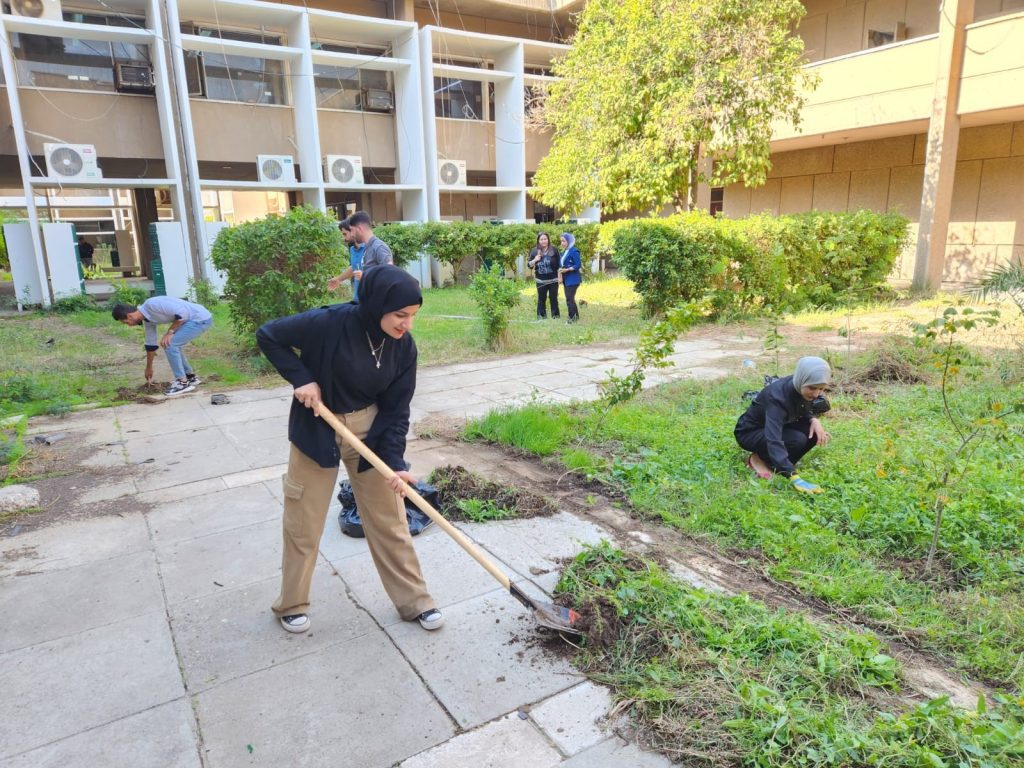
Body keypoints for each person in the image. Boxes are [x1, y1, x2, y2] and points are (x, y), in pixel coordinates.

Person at [255, 265, 443, 635]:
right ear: (376, 306)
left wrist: (394, 463)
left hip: (369, 430)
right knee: (303, 522)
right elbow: (269, 335)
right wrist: (302, 377)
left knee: (390, 519)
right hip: (318, 427)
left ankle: (416, 601)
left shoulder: (404, 347)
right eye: (400, 315)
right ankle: (291, 604)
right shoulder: (329, 323)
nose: (407, 324)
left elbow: (396, 408)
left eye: (413, 316)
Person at [733, 356, 833, 493]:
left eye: (821, 389)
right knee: (796, 440)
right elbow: (773, 439)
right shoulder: (777, 398)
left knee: (813, 434)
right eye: (813, 388)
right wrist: (794, 476)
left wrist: (814, 419)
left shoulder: (800, 385)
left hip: (776, 425)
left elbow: (804, 407)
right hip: (749, 433)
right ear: (802, 379)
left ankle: (777, 463)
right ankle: (758, 459)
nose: (816, 394)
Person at [112, 297, 213, 396]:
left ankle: (182, 383)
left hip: (199, 318)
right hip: (190, 320)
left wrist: (170, 332)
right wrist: (149, 367)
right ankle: (190, 377)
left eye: (126, 322)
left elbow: (183, 314)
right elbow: (150, 345)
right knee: (170, 344)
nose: (129, 325)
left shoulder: (152, 305)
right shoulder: (148, 321)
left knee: (170, 344)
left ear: (129, 315)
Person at [327, 218, 367, 301]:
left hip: (370, 298)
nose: (344, 238)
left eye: (345, 234)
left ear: (353, 231)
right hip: (358, 299)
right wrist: (338, 279)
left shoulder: (370, 248)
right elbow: (354, 267)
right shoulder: (352, 249)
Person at [348, 210, 392, 278]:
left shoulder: (379, 247)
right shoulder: (367, 247)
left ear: (359, 228)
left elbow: (390, 274)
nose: (351, 234)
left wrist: (365, 276)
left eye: (352, 230)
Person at [528, 231, 561, 319]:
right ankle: (541, 317)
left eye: (545, 239)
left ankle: (556, 316)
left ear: (548, 240)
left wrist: (560, 277)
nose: (544, 241)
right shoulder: (535, 251)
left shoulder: (554, 249)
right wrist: (535, 260)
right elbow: (529, 265)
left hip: (553, 280)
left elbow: (559, 264)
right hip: (540, 280)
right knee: (541, 299)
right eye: (541, 239)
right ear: (538, 241)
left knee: (553, 298)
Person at [558, 232, 582, 323]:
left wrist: (568, 270)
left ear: (569, 241)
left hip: (573, 279)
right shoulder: (564, 252)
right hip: (566, 279)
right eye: (561, 241)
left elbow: (578, 265)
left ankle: (572, 318)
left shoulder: (574, 251)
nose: (562, 243)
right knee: (570, 298)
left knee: (569, 299)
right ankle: (575, 316)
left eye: (563, 241)